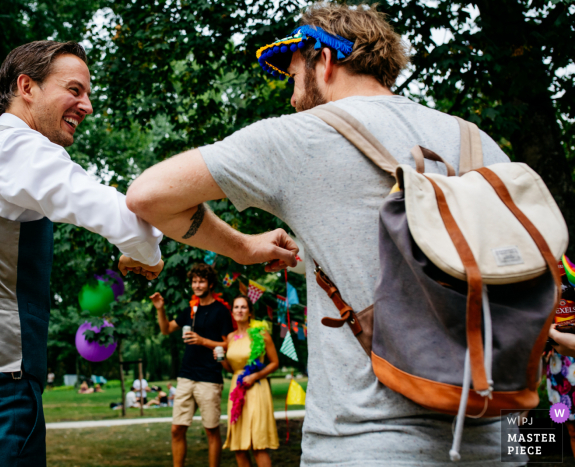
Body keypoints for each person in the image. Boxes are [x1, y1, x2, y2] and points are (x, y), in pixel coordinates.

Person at [126, 3, 521, 465]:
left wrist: (243, 247)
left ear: (324, 60)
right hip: (499, 438)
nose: (292, 98)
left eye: (294, 75)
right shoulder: (477, 141)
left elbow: (147, 195)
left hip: (365, 443)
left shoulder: (300, 136)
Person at [0, 40, 164, 467]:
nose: (88, 106)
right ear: (27, 86)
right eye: (75, 90)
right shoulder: (16, 147)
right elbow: (120, 215)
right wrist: (148, 255)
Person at [149, 263, 234, 467]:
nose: (197, 285)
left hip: (209, 377)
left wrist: (202, 340)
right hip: (186, 375)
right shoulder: (190, 310)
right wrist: (161, 309)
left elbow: (229, 344)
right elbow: (166, 329)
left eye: (201, 281)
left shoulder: (221, 311)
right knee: (177, 429)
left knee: (211, 430)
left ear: (210, 284)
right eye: (194, 281)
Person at [217, 296, 278, 467]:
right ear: (232, 311)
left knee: (258, 445)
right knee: (239, 446)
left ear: (250, 312)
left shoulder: (260, 334)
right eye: (236, 307)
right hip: (237, 388)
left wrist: (255, 376)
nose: (239, 310)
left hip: (256, 388)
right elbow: (232, 368)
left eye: (243, 307)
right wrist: (221, 360)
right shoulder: (230, 337)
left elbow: (274, 363)